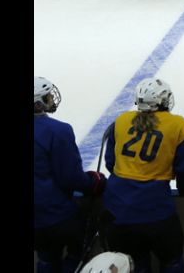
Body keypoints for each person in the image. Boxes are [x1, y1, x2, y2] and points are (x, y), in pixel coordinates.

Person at [102, 77, 184, 273]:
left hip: (117, 212)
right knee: (171, 261)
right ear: (163, 101)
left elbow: (111, 163)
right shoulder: (178, 125)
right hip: (156, 213)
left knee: (135, 264)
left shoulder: (121, 120)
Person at [34, 77, 107, 273]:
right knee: (79, 245)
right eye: (47, 96)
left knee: (46, 256)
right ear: (38, 103)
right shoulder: (57, 130)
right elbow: (70, 178)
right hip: (55, 215)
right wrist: (94, 182)